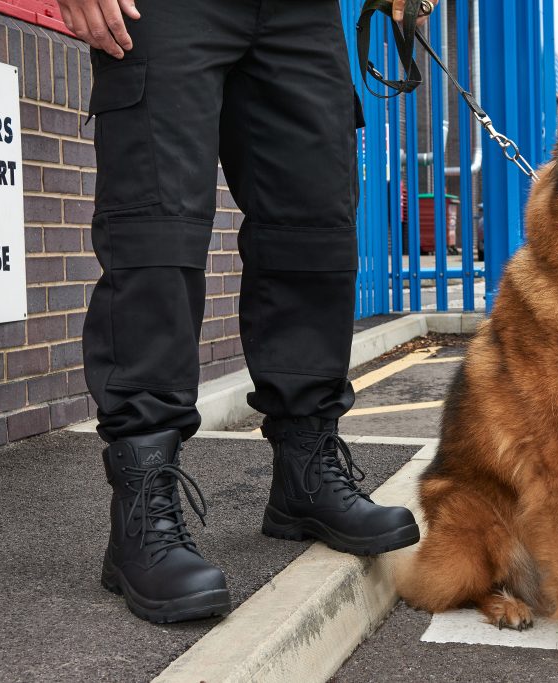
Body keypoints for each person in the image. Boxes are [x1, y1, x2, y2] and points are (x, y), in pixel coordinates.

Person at [53, 0, 436, 624]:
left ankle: (305, 473)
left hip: (302, 15)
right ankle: (140, 511)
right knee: (156, 232)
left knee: (314, 229)